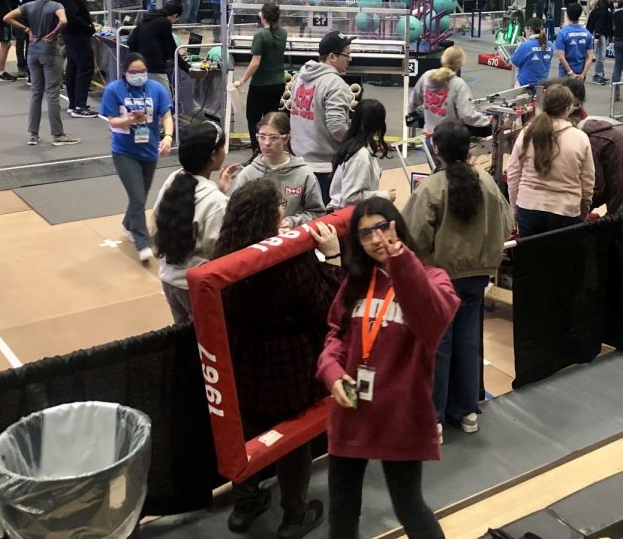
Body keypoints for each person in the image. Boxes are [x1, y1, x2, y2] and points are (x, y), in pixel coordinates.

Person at [317, 198, 459, 539]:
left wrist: (400, 261)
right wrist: (332, 372)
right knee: (342, 514)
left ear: (397, 226)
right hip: (352, 410)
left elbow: (433, 318)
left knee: (410, 507)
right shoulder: (356, 282)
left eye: (382, 227)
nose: (376, 239)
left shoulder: (432, 278)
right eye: (365, 233)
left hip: (400, 415)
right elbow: (335, 334)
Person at [221, 180, 342, 539]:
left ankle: (244, 506)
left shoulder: (224, 253)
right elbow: (326, 307)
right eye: (277, 207)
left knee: (249, 430)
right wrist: (332, 258)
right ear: (267, 215)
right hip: (288, 361)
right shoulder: (287, 258)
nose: (282, 211)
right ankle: (294, 514)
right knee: (293, 436)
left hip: (243, 356)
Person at [403, 120, 511, 436]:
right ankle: (466, 413)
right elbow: (506, 224)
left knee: (440, 345)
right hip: (477, 277)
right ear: (468, 149)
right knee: (468, 341)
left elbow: (413, 236)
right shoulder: (488, 184)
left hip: (440, 279)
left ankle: (434, 417)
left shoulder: (431, 188)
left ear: (436, 149)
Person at [153, 121, 240, 324]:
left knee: (182, 336)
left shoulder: (174, 178)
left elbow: (168, 216)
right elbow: (216, 249)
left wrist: (219, 190)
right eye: (222, 149)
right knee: (204, 342)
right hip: (196, 287)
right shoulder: (216, 202)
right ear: (212, 156)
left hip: (168, 280)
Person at [99, 52, 174, 263]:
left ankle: (128, 223)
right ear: (125, 73)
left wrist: (168, 136)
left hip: (149, 151)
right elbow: (112, 121)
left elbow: (166, 115)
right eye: (134, 72)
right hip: (124, 152)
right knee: (139, 197)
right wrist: (128, 121)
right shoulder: (114, 90)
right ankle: (143, 242)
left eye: (142, 71)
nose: (139, 75)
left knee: (138, 196)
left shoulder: (156, 89)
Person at [506, 83, 594, 237]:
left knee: (531, 260)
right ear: (568, 109)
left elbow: (513, 174)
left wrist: (515, 207)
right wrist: (583, 210)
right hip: (565, 211)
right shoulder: (580, 137)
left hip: (528, 208)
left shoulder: (527, 132)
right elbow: (587, 181)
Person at [3, 0, 80, 148]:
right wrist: (54, 33)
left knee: (36, 93)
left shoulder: (29, 6)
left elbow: (7, 17)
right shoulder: (56, 6)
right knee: (52, 93)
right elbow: (64, 20)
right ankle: (58, 134)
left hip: (32, 52)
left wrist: (26, 29)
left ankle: (33, 134)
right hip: (50, 52)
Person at [566, 80, 623, 215]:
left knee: (614, 235)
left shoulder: (589, 140)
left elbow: (596, 186)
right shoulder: (593, 128)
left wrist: (581, 213)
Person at [233, 110, 327, 227]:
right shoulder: (248, 174)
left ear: (286, 139)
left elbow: (317, 213)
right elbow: (234, 216)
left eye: (273, 137)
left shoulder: (304, 174)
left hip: (291, 240)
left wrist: (291, 222)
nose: (266, 143)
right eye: (262, 137)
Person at [290, 31, 355, 199]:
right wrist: (357, 140)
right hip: (323, 168)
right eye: (347, 54)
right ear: (332, 57)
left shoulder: (300, 78)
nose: (350, 59)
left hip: (297, 163)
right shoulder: (336, 84)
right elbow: (337, 127)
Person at [233, 1, 288, 155]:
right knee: (271, 119)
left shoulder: (260, 36)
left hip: (260, 84)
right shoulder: (283, 33)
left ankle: (257, 153)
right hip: (278, 82)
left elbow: (255, 62)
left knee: (254, 120)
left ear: (263, 17)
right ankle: (271, 151)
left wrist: (242, 80)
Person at [408, 46, 491, 138]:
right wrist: (487, 120)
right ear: (461, 63)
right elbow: (467, 115)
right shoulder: (458, 84)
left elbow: (413, 103)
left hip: (429, 136)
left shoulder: (427, 76)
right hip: (450, 140)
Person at [329, 99, 397, 210]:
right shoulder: (360, 156)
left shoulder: (356, 147)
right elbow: (351, 198)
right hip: (349, 218)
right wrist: (384, 196)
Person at [55, 0, 98, 116]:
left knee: (73, 67)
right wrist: (89, 27)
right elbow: (73, 16)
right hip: (77, 34)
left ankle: (74, 104)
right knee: (85, 68)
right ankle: (79, 105)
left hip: (73, 34)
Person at [127, 0, 188, 99]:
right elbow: (171, 47)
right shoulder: (164, 23)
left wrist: (137, 59)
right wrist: (185, 66)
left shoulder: (146, 19)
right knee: (165, 99)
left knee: (145, 98)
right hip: (155, 67)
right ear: (176, 15)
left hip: (140, 65)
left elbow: (131, 41)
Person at [554, 1, 595, 80]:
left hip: (565, 73)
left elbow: (561, 57)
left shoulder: (562, 33)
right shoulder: (587, 33)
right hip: (581, 74)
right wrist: (583, 74)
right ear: (580, 15)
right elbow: (590, 56)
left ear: (567, 15)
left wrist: (570, 73)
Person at [511, 17, 552, 94]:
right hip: (542, 87)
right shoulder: (550, 45)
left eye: (526, 29)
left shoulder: (525, 46)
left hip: (525, 86)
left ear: (529, 29)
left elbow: (514, 62)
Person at [585, 0, 613, 85]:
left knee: (601, 55)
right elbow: (599, 22)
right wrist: (596, 35)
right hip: (599, 32)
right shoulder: (602, 7)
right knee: (600, 55)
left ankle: (600, 74)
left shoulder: (608, 6)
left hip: (604, 32)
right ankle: (597, 76)